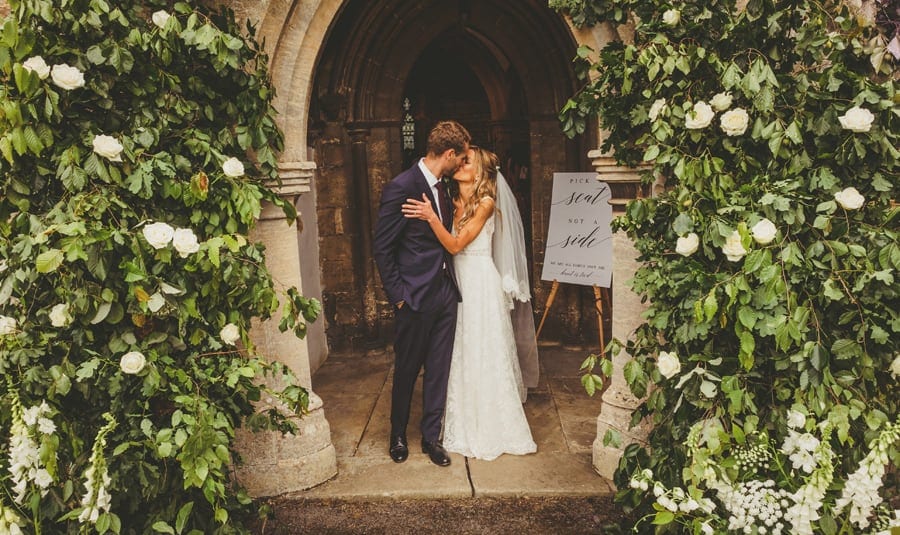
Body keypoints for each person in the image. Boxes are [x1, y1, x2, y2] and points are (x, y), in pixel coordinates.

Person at [402, 146, 538, 461]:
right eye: (461, 160)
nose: (462, 164)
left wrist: (430, 217)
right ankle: (458, 420)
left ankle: (491, 425)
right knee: (457, 351)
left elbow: (455, 243)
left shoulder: (486, 204)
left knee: (483, 351)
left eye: (469, 161)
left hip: (480, 283)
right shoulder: (451, 201)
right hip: (455, 281)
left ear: (480, 172)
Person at [373, 120, 471, 467]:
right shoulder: (402, 187)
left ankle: (431, 438)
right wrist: (399, 297)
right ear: (448, 153)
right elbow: (383, 248)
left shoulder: (444, 188)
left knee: (439, 369)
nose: (463, 164)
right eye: (460, 158)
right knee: (407, 368)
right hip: (413, 298)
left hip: (445, 294)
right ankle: (397, 435)